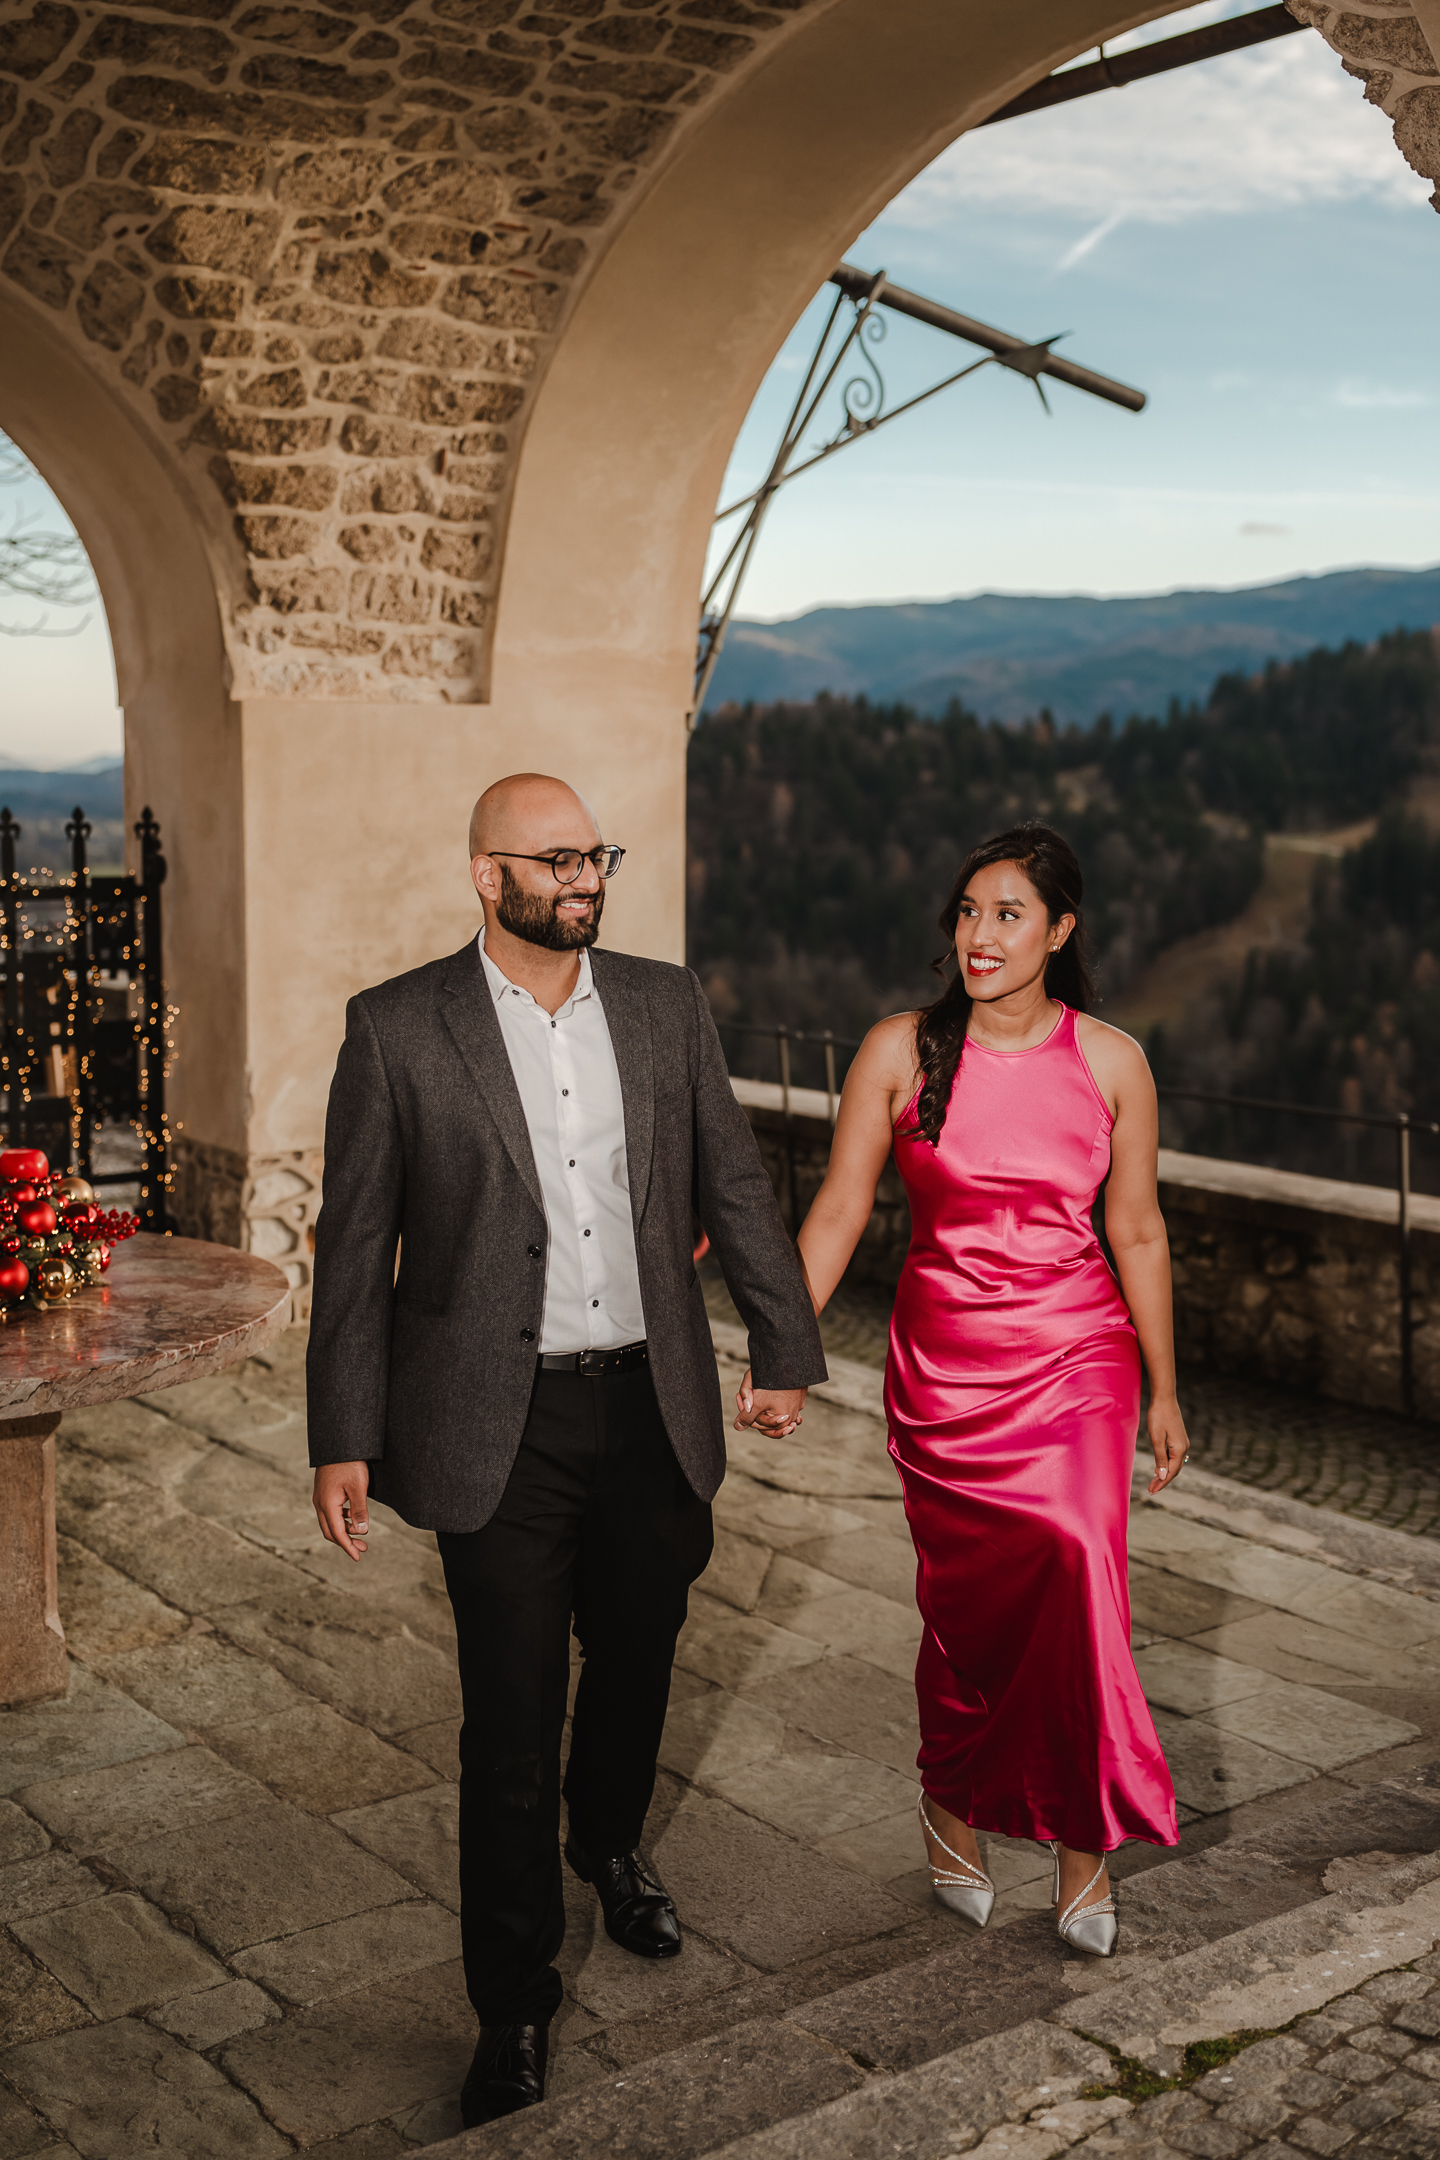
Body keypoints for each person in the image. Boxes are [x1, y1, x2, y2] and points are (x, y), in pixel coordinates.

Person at [306, 773, 825, 2125]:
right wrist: (342, 1434)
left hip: (652, 1409)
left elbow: (732, 1182)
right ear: (489, 877)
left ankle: (611, 1842)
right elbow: (355, 1252)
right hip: (499, 1427)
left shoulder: (665, 1004)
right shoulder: (399, 1029)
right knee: (509, 1724)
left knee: (642, 1657)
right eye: (556, 860)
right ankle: (514, 2009)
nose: (585, 878)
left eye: (595, 853)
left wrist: (783, 1343)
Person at [789, 822, 1184, 1958]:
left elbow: (1140, 1230)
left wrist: (1163, 1387)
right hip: (946, 1366)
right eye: (968, 911)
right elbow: (838, 1210)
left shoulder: (1113, 1062)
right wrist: (786, 1351)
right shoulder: (899, 1050)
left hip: (1078, 1354)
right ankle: (951, 1804)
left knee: (1074, 1567)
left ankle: (1081, 1844)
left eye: (1008, 914)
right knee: (966, 1610)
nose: (980, 935)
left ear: (1060, 930)